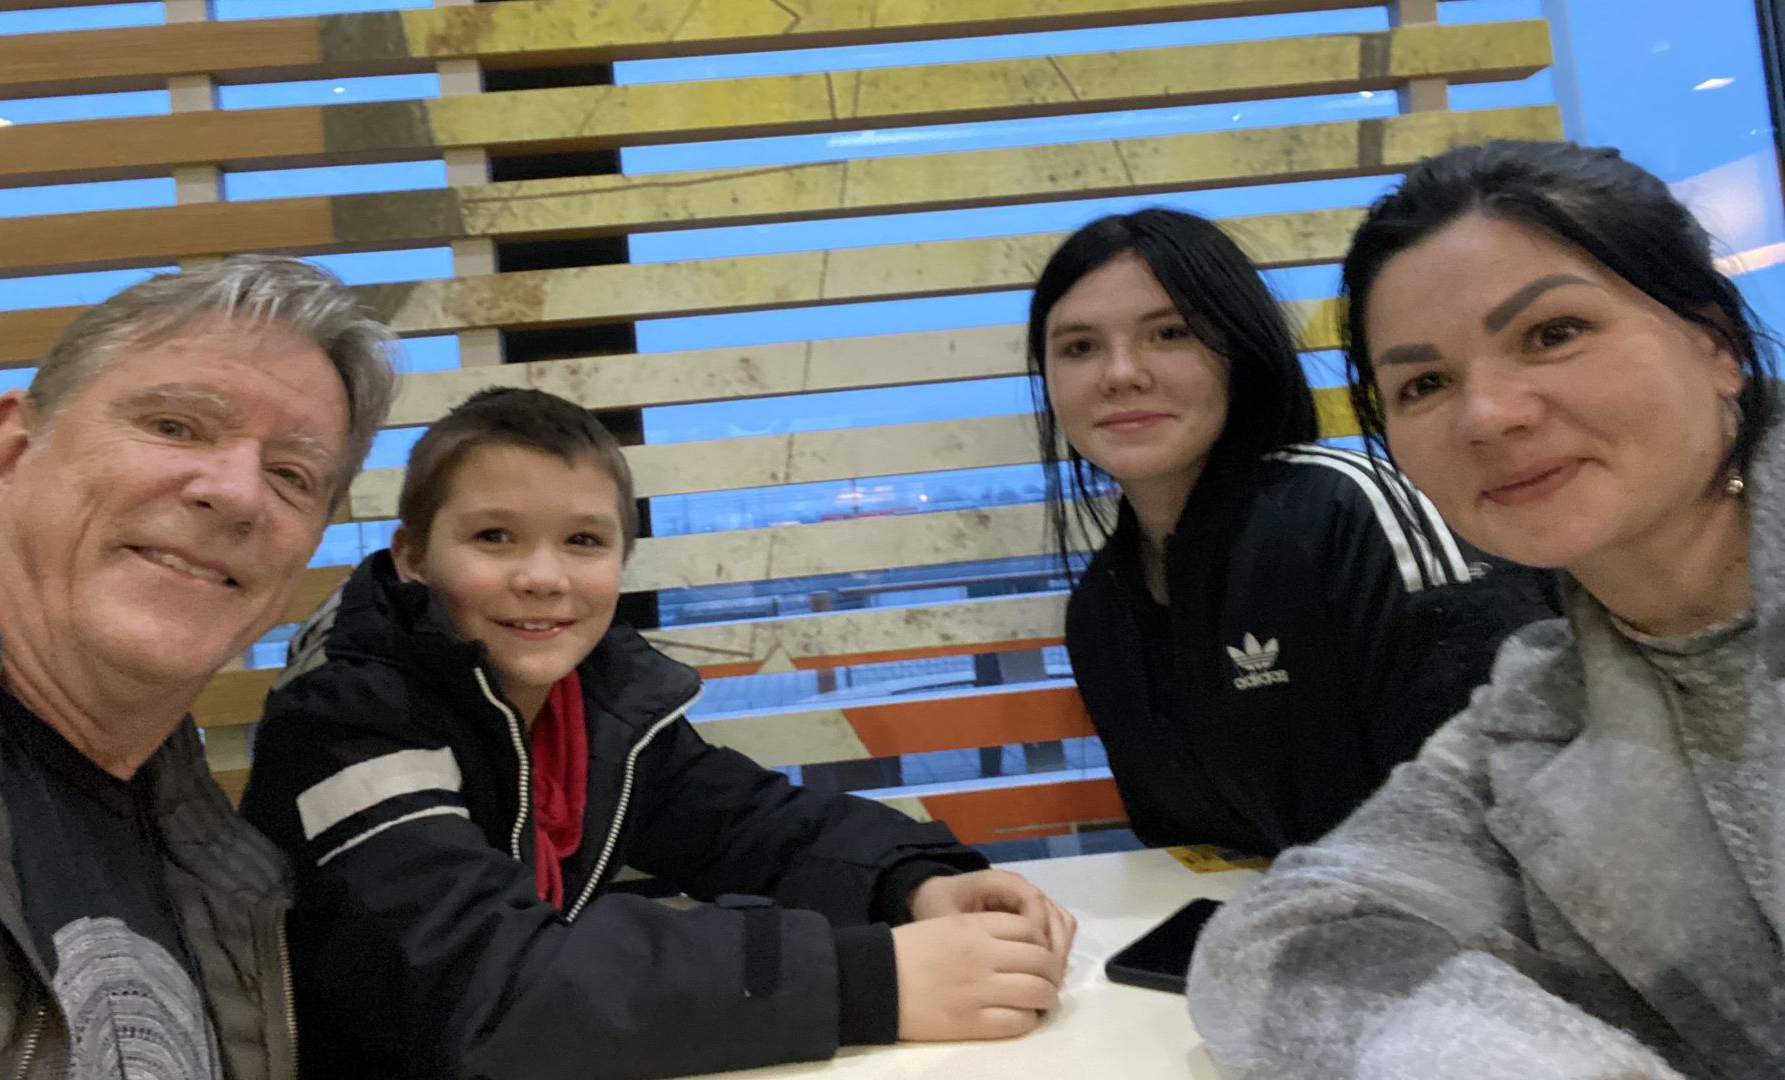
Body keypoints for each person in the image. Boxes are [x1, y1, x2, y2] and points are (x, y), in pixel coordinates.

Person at [238, 387, 1078, 1080]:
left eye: (583, 541)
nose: (543, 576)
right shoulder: (348, 717)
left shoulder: (584, 701)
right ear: (413, 558)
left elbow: (750, 823)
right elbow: (481, 982)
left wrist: (914, 880)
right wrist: (873, 979)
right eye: (494, 536)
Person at [1188, 139, 1785, 1079]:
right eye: (1425, 384)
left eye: (1553, 333)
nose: (1488, 415)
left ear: (1716, 344)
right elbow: (1281, 946)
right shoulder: (1538, 713)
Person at [0, 257, 398, 1079]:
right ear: (8, 458)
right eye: (176, 426)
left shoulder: (239, 888)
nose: (237, 492)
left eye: (292, 476)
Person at [1030, 207, 1555, 857]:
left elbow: (1498, 828)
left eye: (1169, 333)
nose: (1120, 373)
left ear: (1241, 353)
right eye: (1079, 347)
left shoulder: (1351, 514)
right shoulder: (1101, 607)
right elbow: (1194, 854)